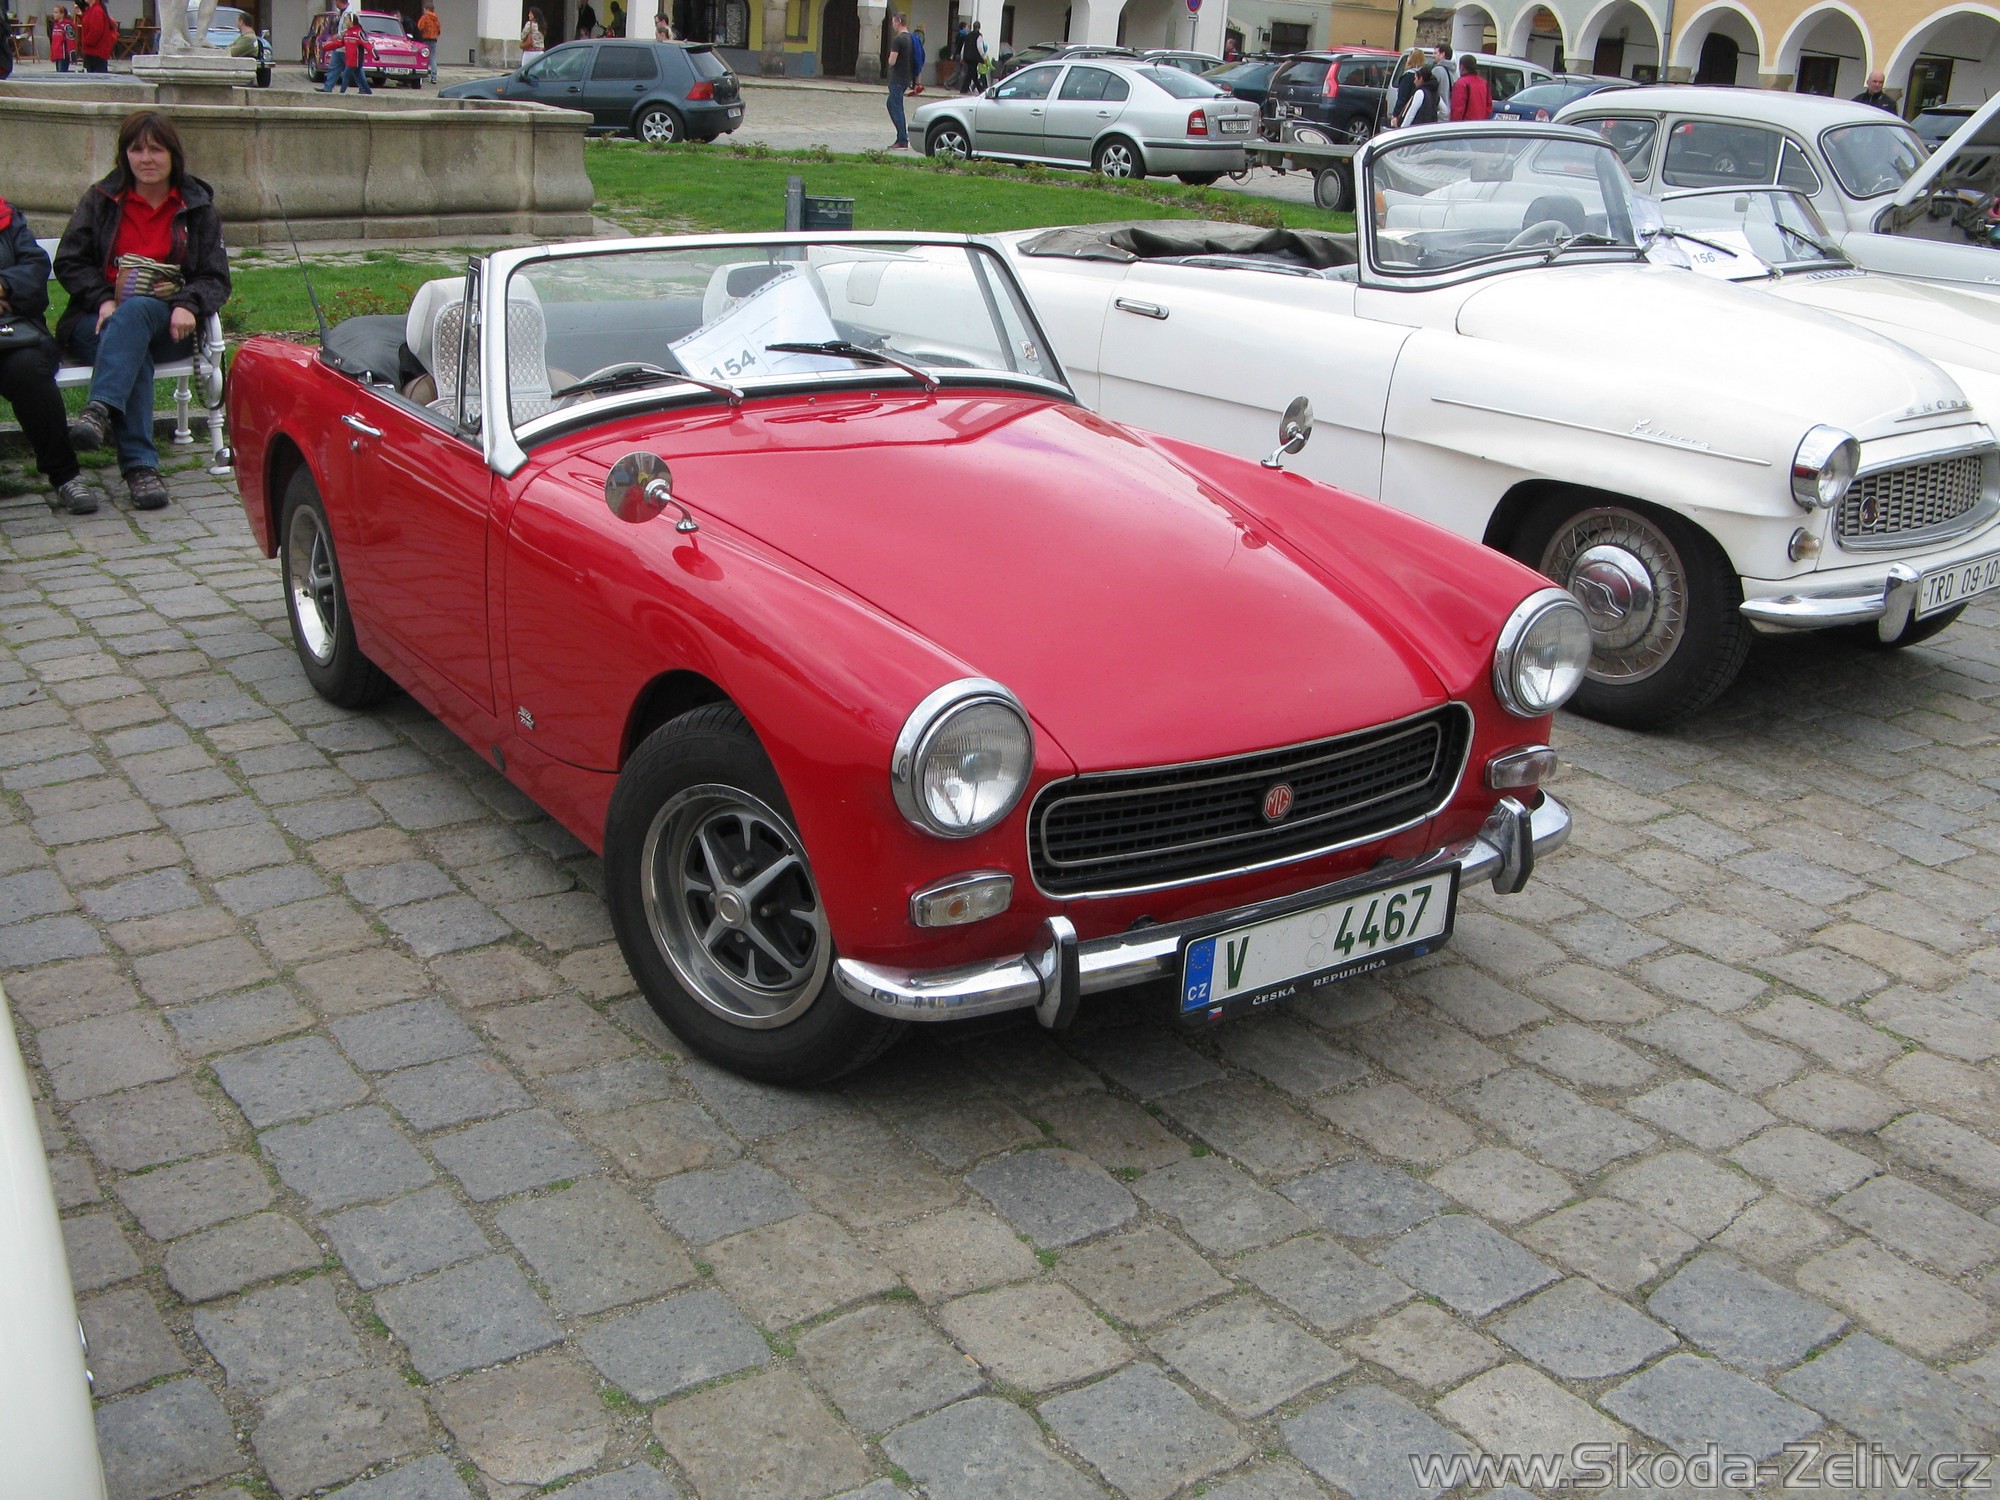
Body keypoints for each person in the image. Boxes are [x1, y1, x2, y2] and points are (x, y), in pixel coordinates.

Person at [56, 111, 231, 513]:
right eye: (136, 149)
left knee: (135, 318)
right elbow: (69, 261)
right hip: (96, 321)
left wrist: (188, 303)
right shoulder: (102, 199)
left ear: (173, 155)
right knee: (130, 340)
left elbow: (216, 277)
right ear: (124, 155)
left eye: (156, 149)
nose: (146, 158)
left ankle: (99, 409)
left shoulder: (196, 206)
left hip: (169, 325)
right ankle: (140, 469)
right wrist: (103, 299)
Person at [0, 197, 101, 516]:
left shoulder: (7, 219)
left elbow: (34, 269)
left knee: (29, 368)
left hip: (14, 333)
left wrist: (3, 286)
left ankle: (66, 476)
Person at [322, 12, 374, 91]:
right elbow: (340, 43)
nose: (345, 21)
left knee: (349, 75)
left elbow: (367, 44)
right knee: (354, 74)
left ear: (351, 21)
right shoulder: (347, 32)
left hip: (354, 59)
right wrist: (326, 46)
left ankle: (343, 92)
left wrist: (374, 55)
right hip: (348, 57)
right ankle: (366, 90)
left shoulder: (358, 32)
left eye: (346, 20)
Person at [885, 12, 914, 148]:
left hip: (897, 78)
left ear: (898, 21)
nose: (893, 25)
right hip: (905, 77)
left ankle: (902, 138)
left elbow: (892, 61)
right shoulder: (910, 38)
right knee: (891, 104)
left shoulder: (898, 40)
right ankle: (901, 136)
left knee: (896, 108)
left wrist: (889, 60)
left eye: (893, 22)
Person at [1397, 62, 1440, 127]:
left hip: (1418, 128)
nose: (1414, 81)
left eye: (1415, 78)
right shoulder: (1434, 92)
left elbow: (1411, 114)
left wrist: (1402, 128)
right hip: (1430, 127)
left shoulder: (1420, 93)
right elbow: (1445, 111)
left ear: (1421, 79)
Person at [78, 0, 116, 73]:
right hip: (91, 51)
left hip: (96, 51)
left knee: (97, 76)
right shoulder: (91, 9)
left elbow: (96, 31)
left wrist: (86, 42)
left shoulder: (96, 10)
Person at [1451, 53, 1491, 121]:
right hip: (1480, 123)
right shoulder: (1484, 83)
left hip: (1465, 124)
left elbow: (1458, 109)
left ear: (1461, 67)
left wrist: (1454, 123)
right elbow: (1489, 106)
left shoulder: (1461, 83)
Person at [49, 4, 78, 71]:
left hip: (63, 56)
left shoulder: (67, 26)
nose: (54, 14)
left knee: (62, 73)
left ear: (62, 14)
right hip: (57, 55)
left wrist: (72, 55)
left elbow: (71, 41)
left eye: (56, 12)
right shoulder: (55, 25)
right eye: (54, 12)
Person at [1429, 45, 1454, 121]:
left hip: (1439, 113)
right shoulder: (1454, 72)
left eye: (1435, 53)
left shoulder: (1437, 70)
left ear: (1442, 54)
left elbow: (1431, 91)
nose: (1433, 56)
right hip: (1450, 113)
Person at [417, 0, 440, 80]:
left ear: (427, 9)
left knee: (424, 57)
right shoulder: (436, 19)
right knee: (433, 58)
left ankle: (423, 75)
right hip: (434, 40)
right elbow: (439, 30)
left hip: (425, 39)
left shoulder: (425, 17)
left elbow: (420, 27)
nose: (423, 11)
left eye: (424, 9)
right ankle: (434, 77)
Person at [908, 24, 926, 94]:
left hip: (915, 53)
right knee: (918, 69)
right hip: (918, 53)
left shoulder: (914, 34)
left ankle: (914, 84)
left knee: (916, 70)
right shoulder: (920, 35)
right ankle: (917, 85)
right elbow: (919, 44)